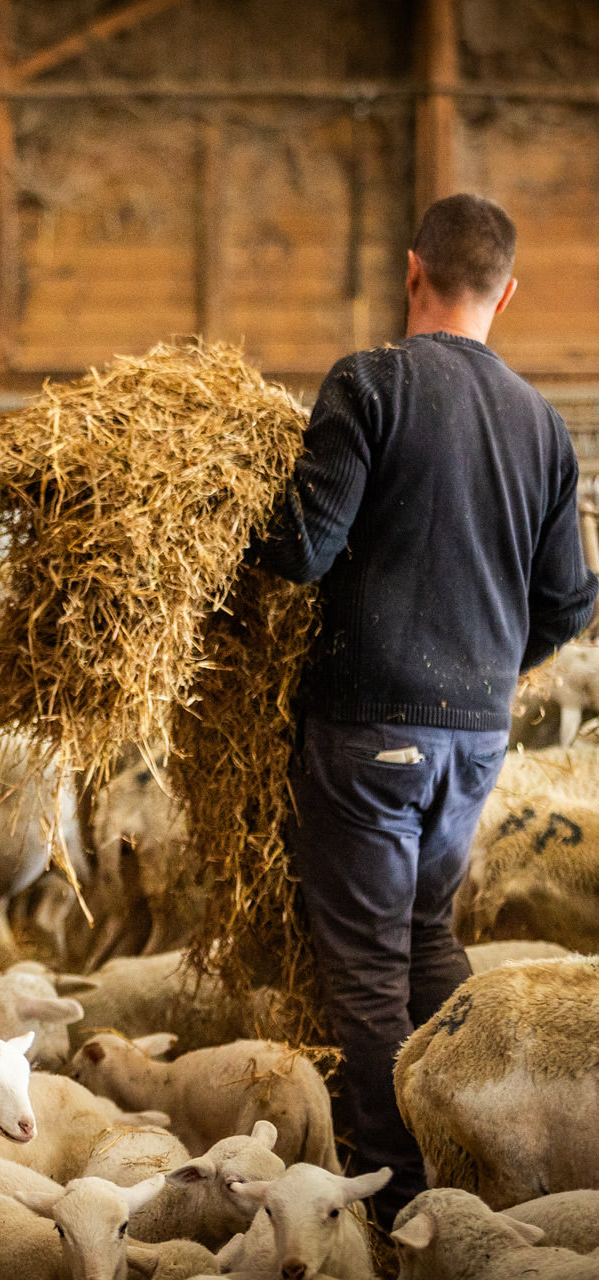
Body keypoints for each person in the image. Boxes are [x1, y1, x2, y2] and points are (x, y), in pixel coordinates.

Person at [246, 193, 598, 1228]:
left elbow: (306, 545)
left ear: (412, 272)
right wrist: (495, 669)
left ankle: (401, 1195)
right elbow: (572, 599)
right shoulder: (541, 425)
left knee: (362, 966)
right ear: (508, 291)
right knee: (426, 937)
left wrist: (236, 550)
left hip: (367, 729)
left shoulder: (372, 383)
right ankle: (474, 1130)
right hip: (475, 738)